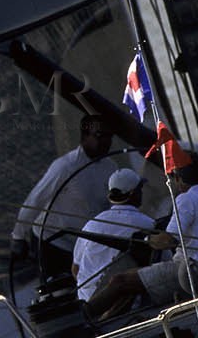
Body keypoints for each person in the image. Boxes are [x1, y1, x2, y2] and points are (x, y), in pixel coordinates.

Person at [87, 156, 198, 313]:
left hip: (194, 273)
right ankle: (103, 322)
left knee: (119, 281)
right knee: (130, 279)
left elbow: (166, 241)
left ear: (177, 178)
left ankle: (84, 319)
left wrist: (146, 239)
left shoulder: (185, 199)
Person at [11, 113, 133, 279]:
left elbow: (113, 207)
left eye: (109, 136)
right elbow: (35, 200)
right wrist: (18, 236)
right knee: (57, 292)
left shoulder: (110, 167)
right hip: (52, 242)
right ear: (84, 137)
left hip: (82, 245)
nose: (106, 141)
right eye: (99, 135)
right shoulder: (65, 166)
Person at [70, 168, 156, 309]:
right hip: (123, 303)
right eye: (140, 189)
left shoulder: (92, 224)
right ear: (134, 194)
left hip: (86, 303)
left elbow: (76, 269)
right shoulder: (146, 224)